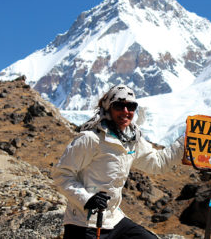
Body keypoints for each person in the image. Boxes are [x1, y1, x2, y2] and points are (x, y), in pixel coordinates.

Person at [52, 84, 184, 239]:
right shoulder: (91, 139)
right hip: (82, 223)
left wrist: (185, 143)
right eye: (119, 106)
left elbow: (157, 163)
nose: (126, 111)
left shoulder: (132, 140)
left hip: (113, 219)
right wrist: (87, 199)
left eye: (131, 106)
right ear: (108, 108)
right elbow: (61, 175)